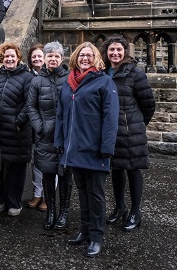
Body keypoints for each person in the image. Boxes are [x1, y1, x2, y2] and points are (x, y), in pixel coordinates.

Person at [55, 42, 119, 258]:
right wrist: (59, 143)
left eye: (89, 55)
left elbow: (110, 118)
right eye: (81, 55)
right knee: (82, 192)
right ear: (75, 57)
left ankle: (96, 236)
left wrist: (107, 147)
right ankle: (84, 229)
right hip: (73, 149)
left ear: (96, 58)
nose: (85, 58)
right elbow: (61, 116)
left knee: (96, 194)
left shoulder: (104, 82)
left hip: (94, 150)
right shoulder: (68, 83)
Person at [101, 35, 155, 232]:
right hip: (111, 132)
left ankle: (135, 211)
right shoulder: (103, 72)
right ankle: (120, 207)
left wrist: (137, 124)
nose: (115, 53)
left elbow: (148, 104)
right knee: (116, 169)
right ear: (106, 52)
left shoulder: (135, 73)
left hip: (131, 131)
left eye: (119, 50)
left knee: (133, 170)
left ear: (125, 52)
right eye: (111, 50)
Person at [27, 42, 71, 230]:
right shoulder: (36, 81)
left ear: (61, 59)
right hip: (45, 135)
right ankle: (51, 211)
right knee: (47, 173)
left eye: (56, 56)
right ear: (44, 59)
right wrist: (39, 126)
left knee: (65, 176)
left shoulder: (70, 78)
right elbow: (31, 106)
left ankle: (63, 213)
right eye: (49, 56)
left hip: (66, 135)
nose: (53, 59)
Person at [0, 42, 34, 216]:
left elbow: (30, 103)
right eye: (6, 56)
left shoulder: (26, 77)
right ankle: (0, 199)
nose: (9, 59)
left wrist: (18, 122)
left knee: (16, 168)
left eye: (12, 56)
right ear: (2, 58)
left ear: (18, 58)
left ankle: (14, 201)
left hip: (18, 132)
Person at [26, 43, 47, 211]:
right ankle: (37, 193)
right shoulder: (28, 76)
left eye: (40, 56)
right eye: (34, 57)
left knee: (50, 162)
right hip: (32, 126)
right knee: (35, 162)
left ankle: (48, 195)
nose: (37, 59)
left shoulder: (51, 75)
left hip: (49, 126)